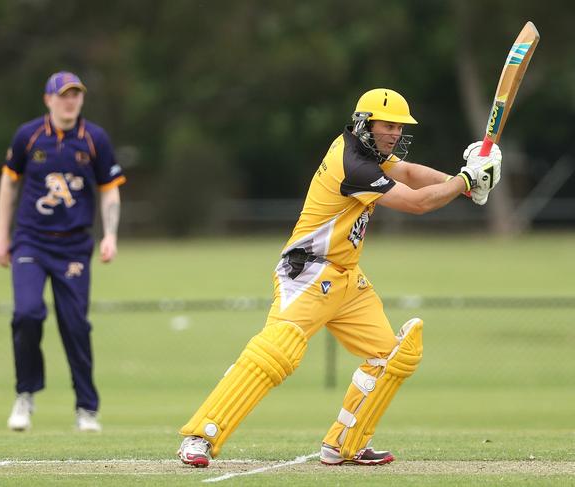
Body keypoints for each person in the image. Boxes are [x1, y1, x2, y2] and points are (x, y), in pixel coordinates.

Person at [177, 88, 502, 466]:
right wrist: (464, 180)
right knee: (275, 352)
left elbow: (411, 174)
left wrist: (465, 183)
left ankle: (344, 444)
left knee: (393, 355)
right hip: (308, 272)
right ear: (365, 123)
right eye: (388, 125)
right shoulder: (354, 164)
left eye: (399, 127)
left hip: (347, 278)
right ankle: (200, 437)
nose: (395, 133)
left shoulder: (370, 153)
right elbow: (417, 202)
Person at [0, 71, 126, 432]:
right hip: (31, 241)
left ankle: (86, 408)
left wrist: (109, 234)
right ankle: (25, 394)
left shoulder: (94, 139)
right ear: (48, 99)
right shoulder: (28, 136)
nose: (71, 101)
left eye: (76, 95)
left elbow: (109, 189)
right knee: (27, 314)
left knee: (75, 325)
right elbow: (8, 182)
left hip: (73, 246)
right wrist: (1, 235)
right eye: (64, 95)